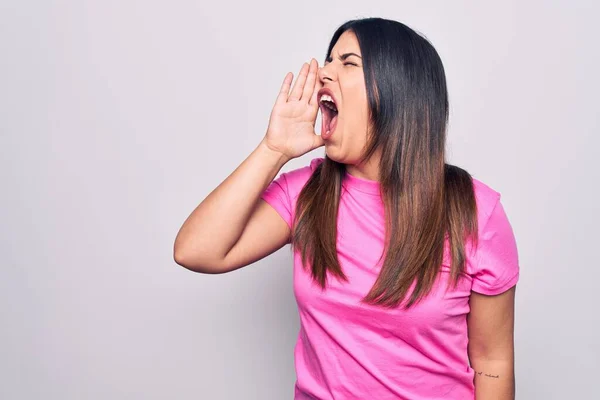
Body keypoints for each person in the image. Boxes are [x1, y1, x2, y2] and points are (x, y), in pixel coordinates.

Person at [174, 17, 519, 400]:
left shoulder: (475, 212)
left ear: (397, 89)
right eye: (329, 59)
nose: (324, 72)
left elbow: (493, 363)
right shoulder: (308, 193)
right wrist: (274, 150)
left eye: (348, 62)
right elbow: (195, 251)